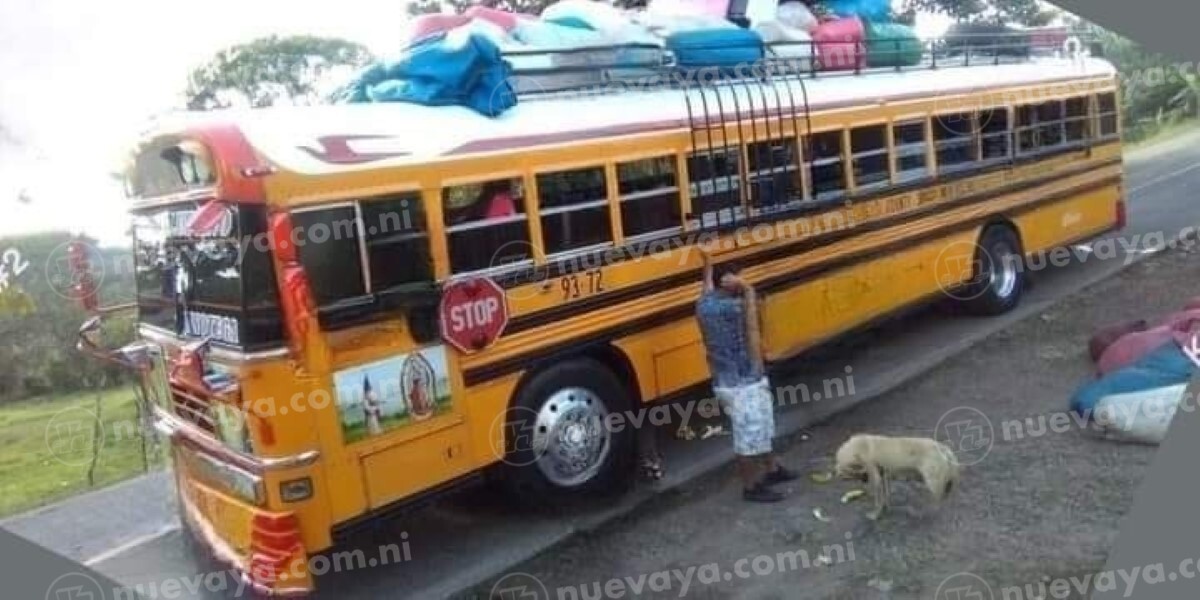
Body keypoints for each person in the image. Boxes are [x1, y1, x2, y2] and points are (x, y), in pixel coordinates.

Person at [696, 248, 796, 502]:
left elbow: (707, 283)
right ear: (729, 282)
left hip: (727, 381)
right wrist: (748, 289)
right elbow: (752, 331)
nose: (743, 282)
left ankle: (772, 469)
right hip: (743, 383)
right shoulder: (735, 307)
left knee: (762, 425)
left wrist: (707, 262)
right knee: (749, 434)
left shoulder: (705, 304)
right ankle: (751, 487)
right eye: (739, 278)